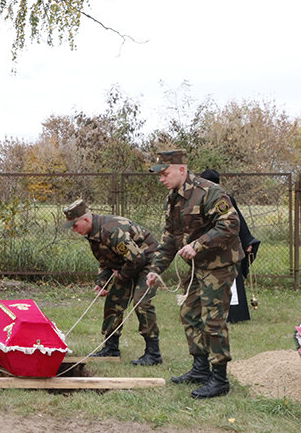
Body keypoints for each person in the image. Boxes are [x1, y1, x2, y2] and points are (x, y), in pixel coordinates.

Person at [145, 150, 244, 399]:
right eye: (159, 175)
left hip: (219, 265)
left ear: (181, 169)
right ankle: (200, 369)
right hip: (196, 267)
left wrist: (198, 245)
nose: (161, 179)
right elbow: (170, 238)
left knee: (213, 320)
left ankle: (219, 378)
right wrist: (156, 270)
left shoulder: (210, 192)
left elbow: (231, 225)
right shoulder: (173, 199)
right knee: (189, 313)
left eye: (165, 173)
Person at [63, 199, 162, 366]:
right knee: (113, 301)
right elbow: (105, 260)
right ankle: (111, 348)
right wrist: (102, 282)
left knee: (141, 302)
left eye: (75, 225)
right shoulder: (92, 233)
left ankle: (153, 353)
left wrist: (121, 276)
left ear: (86, 220)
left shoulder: (111, 230)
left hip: (149, 262)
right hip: (129, 263)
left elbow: (137, 259)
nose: (74, 230)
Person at [199, 169, 260, 323]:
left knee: (231, 280)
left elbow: (237, 221)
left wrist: (247, 241)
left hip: (228, 246)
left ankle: (234, 314)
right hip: (209, 245)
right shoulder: (201, 199)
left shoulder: (224, 199)